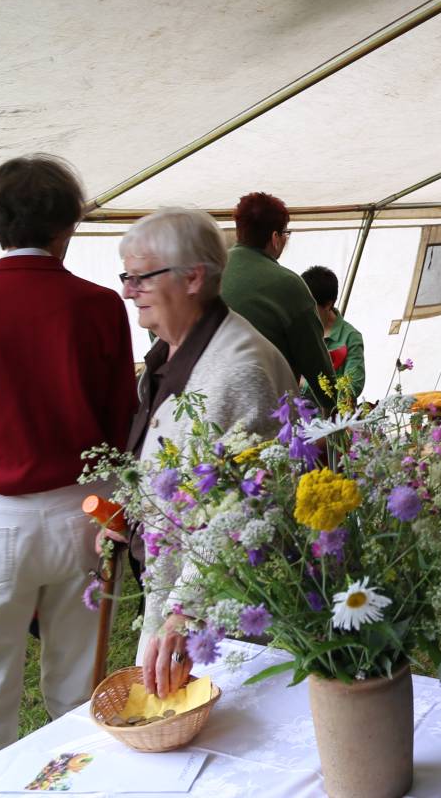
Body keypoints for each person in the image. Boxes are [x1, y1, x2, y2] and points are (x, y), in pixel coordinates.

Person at [0, 156, 137, 771]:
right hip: (87, 512)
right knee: (75, 695)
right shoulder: (99, 307)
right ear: (68, 226)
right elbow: (123, 423)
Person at [121, 207, 297, 698]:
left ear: (194, 278)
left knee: (226, 732)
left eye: (141, 279)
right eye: (126, 276)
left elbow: (246, 508)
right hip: (177, 594)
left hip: (225, 611)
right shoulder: (168, 351)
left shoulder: (239, 367)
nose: (127, 292)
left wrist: (185, 610)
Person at [219, 192, 339, 410]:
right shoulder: (288, 284)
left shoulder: (209, 272)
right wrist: (339, 418)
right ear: (275, 238)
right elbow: (317, 367)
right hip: (268, 415)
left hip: (207, 414)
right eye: (286, 233)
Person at [301, 265, 365, 403]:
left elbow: (353, 387)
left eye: (310, 307)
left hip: (332, 421)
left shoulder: (350, 337)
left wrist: (303, 384)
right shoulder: (300, 328)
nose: (304, 312)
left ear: (328, 304)